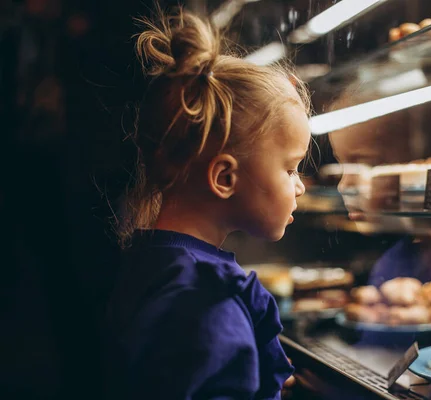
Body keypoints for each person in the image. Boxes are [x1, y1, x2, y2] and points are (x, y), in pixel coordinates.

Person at [104, 8, 311, 400]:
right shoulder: (207, 306)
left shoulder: (150, 260)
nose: (299, 187)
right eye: (290, 169)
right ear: (224, 178)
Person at [327, 91, 431, 317]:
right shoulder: (390, 266)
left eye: (363, 163)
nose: (343, 185)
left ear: (426, 162)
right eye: (341, 163)